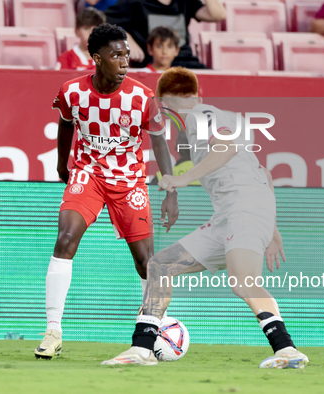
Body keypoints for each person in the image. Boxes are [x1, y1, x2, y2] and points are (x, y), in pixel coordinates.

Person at [102, 67, 309, 369]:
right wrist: (272, 229)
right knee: (160, 266)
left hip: (243, 208)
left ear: (164, 105)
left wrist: (183, 180)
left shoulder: (200, 117)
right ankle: (141, 349)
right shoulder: (224, 115)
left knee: (244, 282)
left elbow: (225, 148)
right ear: (198, 94)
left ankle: (287, 350)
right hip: (235, 212)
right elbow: (262, 172)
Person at [34, 23, 179, 359]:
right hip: (89, 174)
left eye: (127, 54)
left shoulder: (142, 97)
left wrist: (170, 189)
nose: (125, 60)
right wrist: (62, 164)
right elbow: (66, 123)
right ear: (97, 59)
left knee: (146, 263)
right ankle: (53, 330)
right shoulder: (72, 91)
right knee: (65, 238)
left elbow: (158, 140)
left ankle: (153, 327)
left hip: (129, 180)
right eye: (117, 55)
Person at [105, 0, 226, 69]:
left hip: (187, 66)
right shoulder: (134, 2)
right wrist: (125, 39)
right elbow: (100, 20)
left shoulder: (186, 1)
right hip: (151, 66)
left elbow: (218, 15)